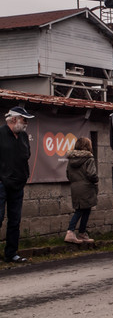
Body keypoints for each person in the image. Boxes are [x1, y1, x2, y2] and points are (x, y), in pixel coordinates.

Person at [0, 106, 34, 263]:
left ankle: (11, 253)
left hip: (18, 184)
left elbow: (26, 156)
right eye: (24, 120)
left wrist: (24, 177)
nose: (26, 123)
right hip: (1, 183)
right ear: (13, 119)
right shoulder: (1, 134)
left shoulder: (24, 137)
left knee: (15, 220)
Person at [64, 137, 98, 244]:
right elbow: (91, 174)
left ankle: (82, 233)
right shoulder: (89, 158)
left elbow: (68, 174)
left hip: (75, 187)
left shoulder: (71, 159)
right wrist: (96, 180)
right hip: (86, 187)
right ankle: (70, 232)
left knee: (83, 209)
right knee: (82, 211)